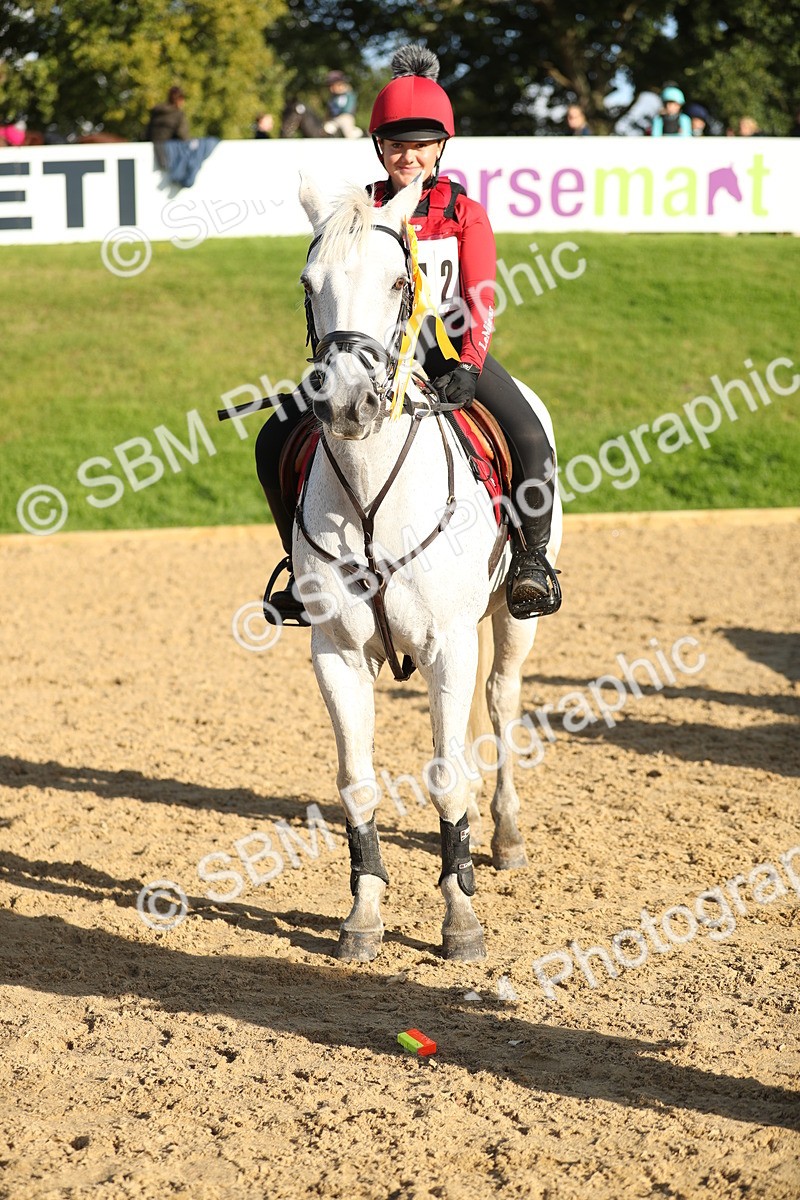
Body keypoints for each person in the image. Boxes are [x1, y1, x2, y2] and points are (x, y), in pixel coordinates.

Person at [256, 43, 561, 623]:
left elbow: (480, 298)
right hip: (371, 356)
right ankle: (301, 567)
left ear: (440, 147)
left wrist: (470, 365)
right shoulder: (359, 212)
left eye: (421, 145)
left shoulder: (464, 213)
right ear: (379, 147)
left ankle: (532, 558)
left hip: (445, 350)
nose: (408, 156)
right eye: (397, 145)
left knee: (529, 436)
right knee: (272, 439)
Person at [323, 70, 362, 138]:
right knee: (327, 128)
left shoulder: (349, 95)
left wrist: (337, 112)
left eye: (332, 85)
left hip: (346, 117)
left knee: (348, 132)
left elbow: (348, 109)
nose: (331, 88)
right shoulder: (333, 98)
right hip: (335, 119)